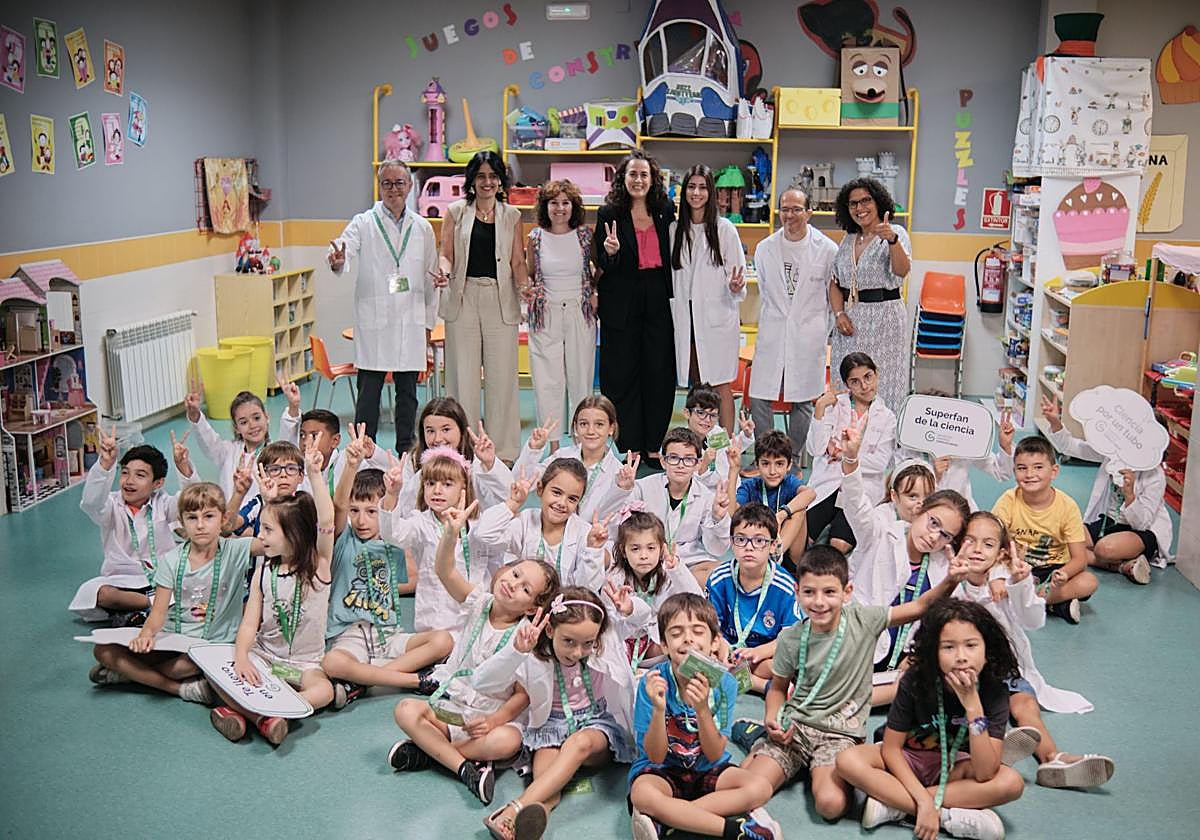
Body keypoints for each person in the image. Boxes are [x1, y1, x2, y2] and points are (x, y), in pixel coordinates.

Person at [735, 544, 970, 823]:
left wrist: (951, 579)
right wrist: (773, 718)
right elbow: (777, 687)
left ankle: (762, 743)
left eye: (829, 592)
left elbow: (919, 606)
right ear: (797, 593)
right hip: (795, 727)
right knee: (750, 788)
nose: (819, 601)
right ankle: (758, 734)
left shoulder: (864, 619)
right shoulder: (790, 638)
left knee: (831, 805)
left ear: (847, 592)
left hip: (840, 734)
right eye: (809, 592)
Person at [389, 498, 559, 806]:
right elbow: (444, 570)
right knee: (405, 710)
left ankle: (430, 754)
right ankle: (462, 767)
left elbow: (522, 695)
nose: (512, 584)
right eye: (516, 573)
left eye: (524, 589)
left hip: (486, 718)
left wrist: (494, 721)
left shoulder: (524, 637)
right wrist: (451, 533)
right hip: (452, 704)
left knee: (508, 740)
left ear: (533, 607)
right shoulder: (480, 602)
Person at [836, 600, 1024, 840]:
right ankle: (946, 816)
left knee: (1011, 782)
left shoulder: (994, 690)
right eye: (948, 647)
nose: (961, 657)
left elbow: (985, 772)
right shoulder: (915, 680)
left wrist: (973, 705)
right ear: (933, 652)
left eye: (971, 645)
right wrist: (924, 802)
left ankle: (894, 806)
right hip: (907, 759)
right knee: (847, 760)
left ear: (987, 650)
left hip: (957, 766)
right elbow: (892, 750)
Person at [956, 512, 1115, 789]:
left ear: (1001, 553)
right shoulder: (952, 582)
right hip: (967, 675)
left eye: (988, 544)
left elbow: (1033, 621)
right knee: (978, 712)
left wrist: (1019, 585)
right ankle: (994, 751)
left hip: (1005, 669)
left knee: (1026, 706)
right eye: (970, 541)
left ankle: (1053, 759)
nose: (978, 549)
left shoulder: (1007, 581)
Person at [474, 588, 638, 840]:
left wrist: (629, 609)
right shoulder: (534, 656)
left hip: (595, 726)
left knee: (579, 743)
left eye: (587, 643)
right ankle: (528, 820)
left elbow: (640, 623)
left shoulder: (604, 649)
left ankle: (513, 807)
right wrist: (516, 652)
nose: (577, 652)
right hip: (550, 727)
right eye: (568, 641)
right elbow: (482, 681)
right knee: (546, 784)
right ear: (550, 631)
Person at [209, 437, 335, 746]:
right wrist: (241, 657)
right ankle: (267, 718)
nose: (259, 537)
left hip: (305, 663)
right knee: (220, 670)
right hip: (264, 656)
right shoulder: (265, 568)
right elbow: (250, 623)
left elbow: (327, 520)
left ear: (295, 535)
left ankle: (252, 712)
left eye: (267, 532)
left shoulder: (319, 566)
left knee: (325, 691)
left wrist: (316, 475)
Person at [628, 593, 780, 840]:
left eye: (698, 631)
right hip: (663, 771)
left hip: (707, 767)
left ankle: (671, 822)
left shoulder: (725, 683)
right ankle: (734, 829)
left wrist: (702, 710)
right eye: (676, 633)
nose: (688, 638)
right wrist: (658, 710)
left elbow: (715, 754)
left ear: (714, 642)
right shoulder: (652, 682)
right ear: (664, 645)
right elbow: (654, 756)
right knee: (642, 795)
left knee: (760, 787)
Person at [89, 482, 254, 703]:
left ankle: (131, 675)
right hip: (172, 638)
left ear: (223, 519)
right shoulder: (172, 560)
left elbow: (277, 543)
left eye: (209, 516)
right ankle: (178, 689)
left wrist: (261, 495)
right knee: (103, 651)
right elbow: (158, 612)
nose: (200, 525)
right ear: (182, 523)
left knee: (186, 666)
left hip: (209, 643)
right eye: (192, 518)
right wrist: (146, 635)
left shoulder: (237, 550)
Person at [321, 434, 454, 710]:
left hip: (389, 635)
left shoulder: (393, 543)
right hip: (351, 635)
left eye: (372, 511)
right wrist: (351, 464)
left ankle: (361, 682)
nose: (361, 519)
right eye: (355, 511)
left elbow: (412, 578)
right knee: (332, 662)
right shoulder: (344, 540)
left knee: (443, 640)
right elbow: (339, 505)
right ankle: (416, 681)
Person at [327, 159, 440, 453]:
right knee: (369, 394)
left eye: (399, 183)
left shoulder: (423, 228)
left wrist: (429, 322)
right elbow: (344, 248)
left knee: (408, 394)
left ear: (410, 185)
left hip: (410, 319)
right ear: (380, 187)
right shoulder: (363, 222)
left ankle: (407, 451)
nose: (393, 189)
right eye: (387, 183)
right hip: (374, 321)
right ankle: (365, 452)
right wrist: (338, 259)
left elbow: (431, 275)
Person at [435, 151, 529, 462]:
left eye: (493, 176)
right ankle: (462, 447)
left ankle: (502, 451)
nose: (487, 182)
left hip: (500, 299)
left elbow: (517, 261)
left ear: (501, 181)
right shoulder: (456, 211)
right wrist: (444, 272)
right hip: (463, 297)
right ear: (472, 181)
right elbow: (446, 252)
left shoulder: (512, 216)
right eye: (481, 176)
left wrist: (525, 288)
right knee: (463, 377)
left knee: (503, 377)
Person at [594, 150, 677, 462]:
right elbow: (602, 262)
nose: (638, 180)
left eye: (644, 174)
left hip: (658, 294)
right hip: (621, 297)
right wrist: (611, 252)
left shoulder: (665, 210)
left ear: (652, 179)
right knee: (622, 371)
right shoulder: (608, 213)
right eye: (633, 174)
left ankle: (654, 442)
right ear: (623, 178)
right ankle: (629, 444)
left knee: (658, 368)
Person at [748, 187, 838, 458]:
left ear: (809, 212)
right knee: (759, 397)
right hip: (774, 330)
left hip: (809, 333)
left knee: (804, 399)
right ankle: (766, 455)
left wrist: (823, 329)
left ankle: (793, 458)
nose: (790, 215)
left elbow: (831, 294)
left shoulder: (827, 250)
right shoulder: (765, 249)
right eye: (785, 209)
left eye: (797, 209)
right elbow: (765, 290)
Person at [1042, 394, 1171, 582]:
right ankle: (1124, 566)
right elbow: (1070, 446)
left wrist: (1130, 495)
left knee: (1104, 549)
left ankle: (1121, 555)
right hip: (1107, 523)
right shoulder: (1113, 454)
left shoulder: (1155, 475)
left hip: (1140, 531)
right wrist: (1055, 422)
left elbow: (1141, 523)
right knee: (1063, 542)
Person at [70, 430, 186, 623]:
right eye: (125, 473)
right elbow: (91, 503)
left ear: (157, 483)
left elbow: (192, 503)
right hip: (122, 580)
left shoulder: (164, 503)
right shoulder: (111, 505)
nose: (129, 481)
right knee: (101, 594)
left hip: (162, 578)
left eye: (140, 475)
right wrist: (105, 464)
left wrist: (184, 468)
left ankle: (132, 611)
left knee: (195, 583)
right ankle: (151, 605)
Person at [601, 427, 732, 588]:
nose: (681, 465)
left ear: (698, 464)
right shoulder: (643, 487)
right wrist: (623, 490)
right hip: (645, 557)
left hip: (687, 561)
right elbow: (613, 529)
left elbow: (717, 549)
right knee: (607, 565)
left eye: (689, 459)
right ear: (663, 461)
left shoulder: (706, 497)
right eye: (673, 458)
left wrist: (718, 519)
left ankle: (670, 584)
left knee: (721, 572)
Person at [669, 165, 747, 432]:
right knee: (697, 383)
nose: (696, 192)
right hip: (686, 319)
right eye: (691, 187)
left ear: (711, 192)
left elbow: (737, 276)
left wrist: (735, 286)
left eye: (703, 187)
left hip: (717, 317)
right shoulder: (673, 230)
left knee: (721, 382)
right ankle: (700, 442)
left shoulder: (724, 229)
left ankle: (724, 446)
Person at [992, 436, 1096, 624]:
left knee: (1088, 582)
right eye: (1022, 468)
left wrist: (1063, 573)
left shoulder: (1067, 506)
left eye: (1038, 467)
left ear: (1054, 471)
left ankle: (1025, 601)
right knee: (988, 576)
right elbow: (993, 541)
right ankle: (1055, 604)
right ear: (1014, 471)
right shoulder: (1008, 500)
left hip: (1052, 571)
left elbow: (1080, 559)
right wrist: (1001, 572)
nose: (1030, 474)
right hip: (1017, 568)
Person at [829, 178, 912, 413]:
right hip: (851, 321)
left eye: (866, 200)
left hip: (886, 318)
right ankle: (847, 435)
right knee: (846, 377)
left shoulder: (896, 233)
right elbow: (834, 282)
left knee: (881, 380)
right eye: (853, 203)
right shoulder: (847, 239)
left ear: (878, 202)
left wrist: (892, 241)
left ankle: (883, 439)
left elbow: (902, 270)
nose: (860, 208)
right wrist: (839, 313)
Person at [805, 353, 897, 555]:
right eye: (855, 382)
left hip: (861, 487)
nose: (864, 386)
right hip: (828, 482)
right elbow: (815, 449)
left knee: (838, 546)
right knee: (803, 539)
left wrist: (846, 455)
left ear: (877, 374)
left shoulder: (887, 417)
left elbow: (879, 463)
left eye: (868, 377)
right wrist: (820, 408)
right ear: (847, 384)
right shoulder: (835, 405)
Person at [526, 179, 598, 432]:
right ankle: (552, 442)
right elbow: (530, 274)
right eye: (553, 203)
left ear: (574, 206)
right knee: (548, 381)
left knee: (581, 379)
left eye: (565, 202)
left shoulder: (584, 236)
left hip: (580, 310)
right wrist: (529, 290)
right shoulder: (535, 238)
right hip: (546, 314)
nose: (559, 208)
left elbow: (598, 269)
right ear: (545, 207)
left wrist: (595, 292)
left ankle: (582, 440)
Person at [706, 504, 802, 693]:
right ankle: (760, 685)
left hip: (763, 655)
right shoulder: (719, 578)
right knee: (694, 652)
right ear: (732, 543)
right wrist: (725, 651)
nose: (749, 547)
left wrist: (757, 653)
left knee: (787, 664)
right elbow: (711, 629)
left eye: (759, 541)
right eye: (741, 539)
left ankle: (730, 676)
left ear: (773, 545)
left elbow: (790, 638)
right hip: (724, 650)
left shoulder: (785, 586)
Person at [474, 460, 609, 590]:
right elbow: (484, 534)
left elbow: (587, 588)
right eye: (556, 492)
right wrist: (513, 503)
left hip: (567, 609)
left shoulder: (585, 533)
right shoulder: (525, 521)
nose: (562, 503)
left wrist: (593, 550)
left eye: (572, 499)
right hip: (524, 605)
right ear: (540, 489)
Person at [606, 510, 703, 671]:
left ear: (661, 549)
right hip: (624, 642)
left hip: (658, 643)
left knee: (691, 645)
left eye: (651, 548)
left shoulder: (669, 571)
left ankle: (718, 680)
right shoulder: (614, 578)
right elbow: (612, 626)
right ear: (623, 551)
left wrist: (676, 570)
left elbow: (697, 600)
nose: (644, 555)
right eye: (635, 549)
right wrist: (629, 611)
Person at [512, 395, 625, 527]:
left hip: (589, 539)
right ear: (576, 427)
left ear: (611, 428)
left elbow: (612, 520)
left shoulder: (619, 474)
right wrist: (534, 450)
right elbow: (521, 482)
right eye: (583, 424)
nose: (590, 431)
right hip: (552, 532)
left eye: (599, 424)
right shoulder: (562, 456)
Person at [726, 430, 816, 572]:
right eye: (766, 464)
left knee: (799, 509)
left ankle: (775, 555)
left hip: (790, 553)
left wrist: (782, 514)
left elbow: (810, 493)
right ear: (756, 464)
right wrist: (734, 470)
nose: (772, 471)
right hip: (759, 548)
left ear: (788, 465)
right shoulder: (750, 486)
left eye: (779, 464)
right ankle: (768, 558)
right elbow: (732, 512)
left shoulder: (789, 482)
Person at [683, 382, 755, 492]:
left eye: (712, 415)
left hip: (731, 489)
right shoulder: (681, 442)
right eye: (701, 413)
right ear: (687, 413)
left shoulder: (716, 432)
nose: (707, 420)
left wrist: (746, 435)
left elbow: (730, 450)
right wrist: (705, 465)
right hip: (704, 497)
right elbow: (686, 481)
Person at [224, 442, 306, 537]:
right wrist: (238, 493)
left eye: (291, 468)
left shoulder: (304, 504)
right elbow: (227, 528)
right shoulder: (259, 503)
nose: (283, 475)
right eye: (275, 469)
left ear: (301, 476)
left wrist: (270, 503)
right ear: (261, 476)